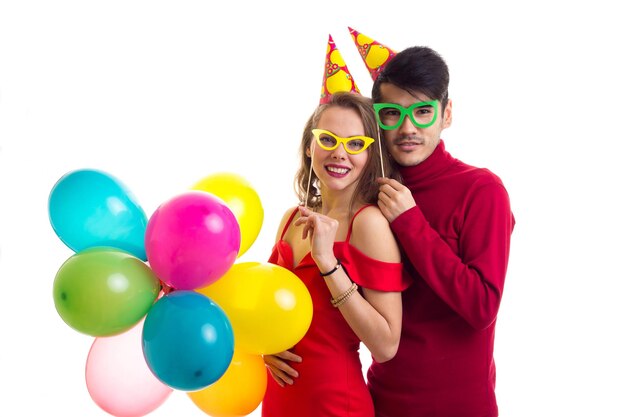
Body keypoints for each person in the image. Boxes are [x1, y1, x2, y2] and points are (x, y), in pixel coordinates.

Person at [359, 43, 515, 417]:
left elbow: (481, 307)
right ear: (376, 118)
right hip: (379, 402)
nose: (407, 128)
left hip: (460, 407)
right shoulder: (367, 192)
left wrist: (410, 222)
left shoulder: (482, 190)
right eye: (392, 113)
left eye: (423, 111)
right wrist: (285, 340)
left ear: (446, 114)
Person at [261, 39, 411, 416]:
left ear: (368, 154)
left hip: (334, 405)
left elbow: (386, 345)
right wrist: (263, 345)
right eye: (327, 140)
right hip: (279, 401)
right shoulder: (291, 219)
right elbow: (265, 307)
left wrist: (328, 264)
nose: (339, 153)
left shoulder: (369, 224)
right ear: (310, 147)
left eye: (354, 143)